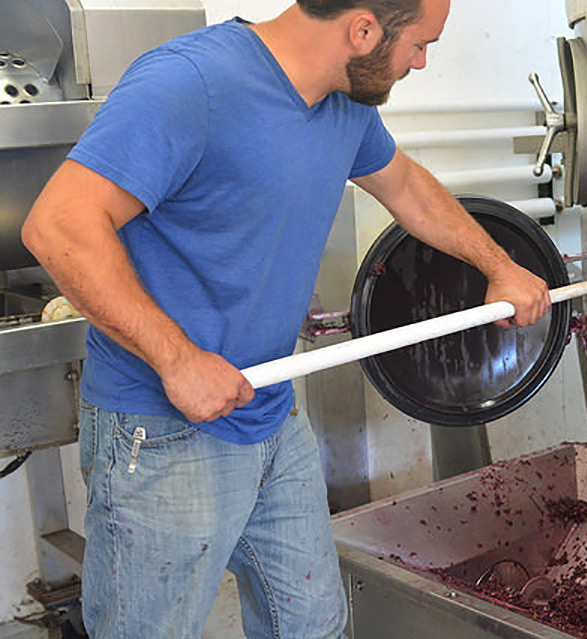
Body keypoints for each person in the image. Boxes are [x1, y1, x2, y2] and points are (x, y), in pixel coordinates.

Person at [21, 0, 551, 636]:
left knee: (311, 626)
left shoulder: (346, 105)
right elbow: (58, 226)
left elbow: (405, 185)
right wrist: (178, 359)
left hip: (271, 413)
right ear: (362, 30)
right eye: (419, 45)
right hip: (159, 430)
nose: (422, 61)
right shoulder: (190, 82)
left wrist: (500, 264)